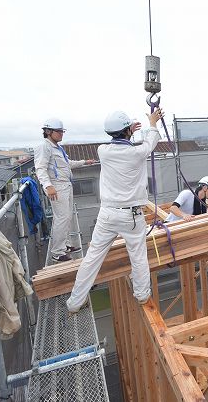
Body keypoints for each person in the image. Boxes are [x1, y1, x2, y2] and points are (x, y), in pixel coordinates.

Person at [66, 108, 163, 313]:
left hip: (108, 214)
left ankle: (74, 302)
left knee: (92, 258)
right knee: (137, 256)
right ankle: (142, 294)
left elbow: (128, 143)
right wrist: (152, 123)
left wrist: (129, 130)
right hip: (131, 216)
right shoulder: (137, 153)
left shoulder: (104, 150)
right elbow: (151, 142)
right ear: (127, 130)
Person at [34, 118, 96, 262]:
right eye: (58, 131)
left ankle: (65, 245)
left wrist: (84, 162)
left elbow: (68, 164)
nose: (61, 134)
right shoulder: (45, 147)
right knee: (62, 218)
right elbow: (40, 168)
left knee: (66, 217)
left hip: (65, 186)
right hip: (56, 187)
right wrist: (48, 186)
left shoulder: (57, 147)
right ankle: (57, 252)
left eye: (62, 131)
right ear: (48, 132)